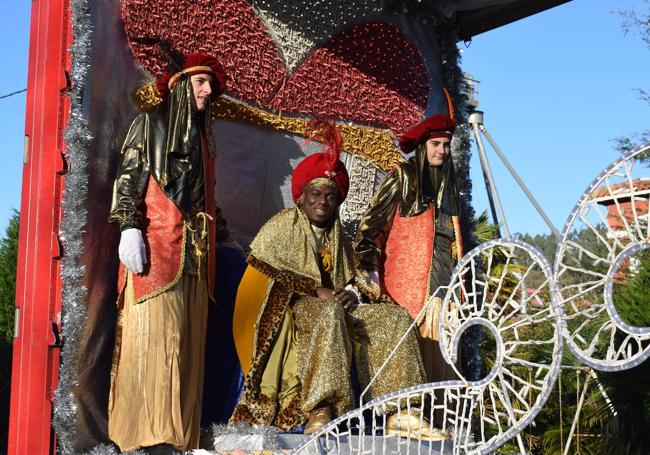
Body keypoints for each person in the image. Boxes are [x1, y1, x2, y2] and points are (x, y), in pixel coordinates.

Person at [229, 121, 446, 440]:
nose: (323, 202)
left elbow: (353, 278)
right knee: (328, 312)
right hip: (297, 313)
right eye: (316, 193)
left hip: (336, 310)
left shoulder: (338, 237)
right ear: (301, 197)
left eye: (331, 196)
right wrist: (314, 290)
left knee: (392, 318)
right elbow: (261, 277)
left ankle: (400, 411)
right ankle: (322, 408)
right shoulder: (281, 227)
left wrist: (351, 294)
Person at [107, 51, 233, 454]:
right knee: (155, 340)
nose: (209, 91)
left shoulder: (203, 142)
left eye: (211, 84)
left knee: (187, 349)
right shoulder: (149, 124)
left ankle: (179, 440)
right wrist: (128, 226)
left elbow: (205, 200)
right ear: (180, 87)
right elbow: (129, 177)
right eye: (201, 83)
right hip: (157, 251)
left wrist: (225, 234)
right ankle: (147, 438)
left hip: (196, 259)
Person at [354, 114, 463, 386]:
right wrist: (370, 272)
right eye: (435, 144)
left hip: (446, 295)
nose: (441, 150)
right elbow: (371, 227)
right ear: (423, 145)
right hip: (408, 296)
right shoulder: (403, 176)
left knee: (445, 373)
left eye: (445, 145)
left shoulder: (449, 186)